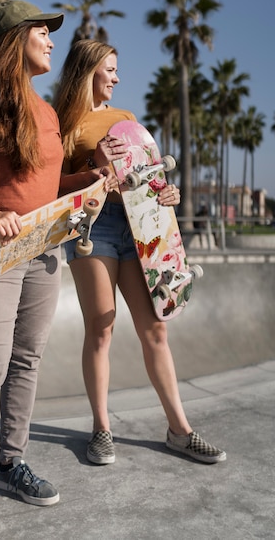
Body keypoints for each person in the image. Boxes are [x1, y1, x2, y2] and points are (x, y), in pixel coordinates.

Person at [0, 2, 116, 540]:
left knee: (27, 360)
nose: (51, 41)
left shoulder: (48, 113)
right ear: (14, 39)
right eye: (42, 31)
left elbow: (50, 184)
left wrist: (91, 179)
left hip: (43, 250)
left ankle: (10, 463)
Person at [53, 39, 226, 467]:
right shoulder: (58, 122)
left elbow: (143, 174)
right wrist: (91, 168)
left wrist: (165, 192)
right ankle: (101, 429)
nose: (117, 77)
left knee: (156, 329)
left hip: (140, 226)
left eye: (116, 69)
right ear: (88, 69)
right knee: (102, 328)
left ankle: (179, 431)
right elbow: (49, 186)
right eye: (109, 69)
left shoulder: (125, 120)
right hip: (92, 229)